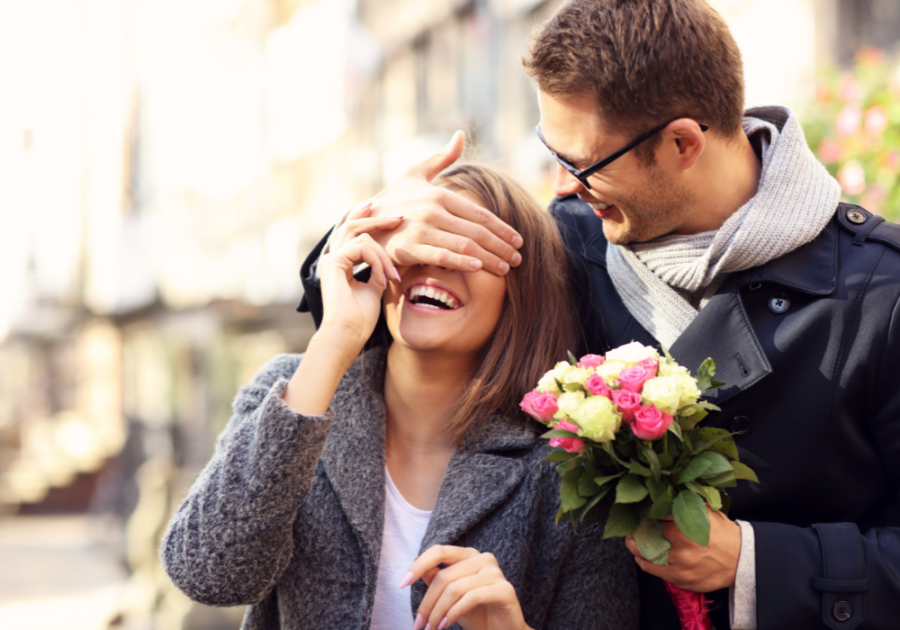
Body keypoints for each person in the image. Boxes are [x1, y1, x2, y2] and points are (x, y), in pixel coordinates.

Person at [297, 1, 900, 629]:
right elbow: (382, 324)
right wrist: (376, 229)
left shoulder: (881, 293)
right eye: (550, 152)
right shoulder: (563, 245)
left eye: (583, 164)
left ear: (682, 143)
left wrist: (753, 559)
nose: (560, 186)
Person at [161, 164, 639, 630]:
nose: (434, 263)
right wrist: (337, 334)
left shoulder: (567, 464)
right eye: (420, 242)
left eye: (464, 248)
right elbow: (207, 575)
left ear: (522, 292)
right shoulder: (295, 390)